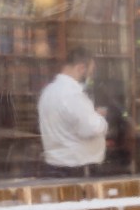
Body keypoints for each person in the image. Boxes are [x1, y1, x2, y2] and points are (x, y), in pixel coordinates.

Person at [38, 46, 109, 177]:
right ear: (81, 68)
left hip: (55, 166)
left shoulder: (48, 91)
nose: (91, 78)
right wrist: (100, 119)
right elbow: (90, 129)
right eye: (90, 72)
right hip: (76, 170)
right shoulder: (72, 94)